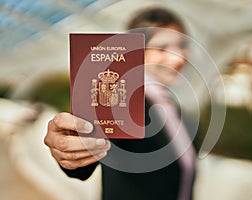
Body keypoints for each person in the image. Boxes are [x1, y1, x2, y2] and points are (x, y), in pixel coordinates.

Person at [44, 7, 201, 200]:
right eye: (162, 48)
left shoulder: (182, 115)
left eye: (182, 46)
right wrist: (69, 150)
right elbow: (86, 155)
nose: (178, 58)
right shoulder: (123, 102)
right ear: (138, 51)